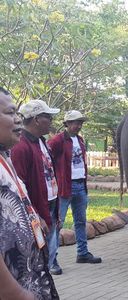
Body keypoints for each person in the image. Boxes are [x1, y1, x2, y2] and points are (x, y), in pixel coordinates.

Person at [0, 88, 59, 299]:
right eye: (10, 113)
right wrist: (15, 293)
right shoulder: (21, 148)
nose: (18, 120)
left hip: (30, 277)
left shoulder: (6, 155)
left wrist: (33, 215)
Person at [10, 99, 62, 275]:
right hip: (36, 211)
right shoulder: (20, 146)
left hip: (51, 204)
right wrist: (35, 214)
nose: (52, 121)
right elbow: (18, 187)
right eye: (48, 117)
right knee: (36, 260)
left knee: (48, 252)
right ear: (36, 119)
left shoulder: (42, 141)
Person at [48, 110, 102, 266]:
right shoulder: (57, 141)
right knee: (58, 223)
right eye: (76, 122)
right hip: (64, 187)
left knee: (80, 221)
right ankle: (52, 260)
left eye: (81, 123)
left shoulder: (80, 140)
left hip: (80, 185)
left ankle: (83, 254)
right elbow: (47, 160)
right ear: (67, 124)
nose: (79, 125)